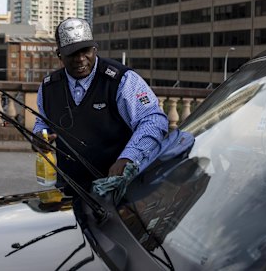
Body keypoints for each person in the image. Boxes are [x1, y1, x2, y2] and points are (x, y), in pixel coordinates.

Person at [32, 17, 169, 192]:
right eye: (73, 53)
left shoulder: (122, 80)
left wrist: (128, 157)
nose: (81, 59)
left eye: (86, 50)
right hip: (67, 190)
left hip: (117, 191)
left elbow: (153, 120)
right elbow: (43, 122)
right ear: (59, 55)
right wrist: (38, 136)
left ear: (95, 48)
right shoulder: (48, 87)